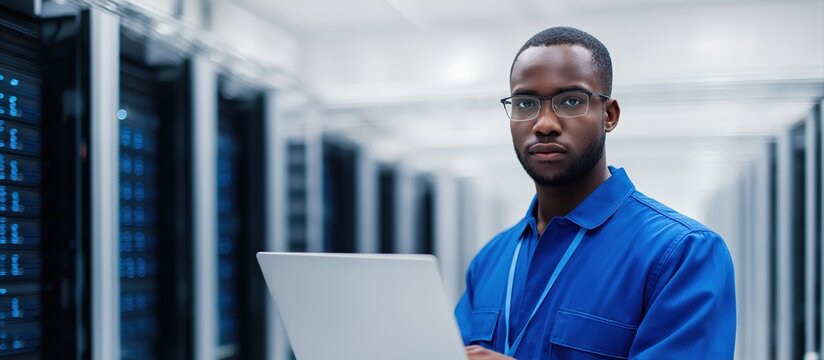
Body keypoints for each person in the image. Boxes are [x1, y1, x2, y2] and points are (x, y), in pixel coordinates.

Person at [454, 26, 736, 359]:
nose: (544, 124)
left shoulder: (682, 253)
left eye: (571, 101)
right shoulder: (490, 260)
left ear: (609, 115)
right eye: (525, 103)